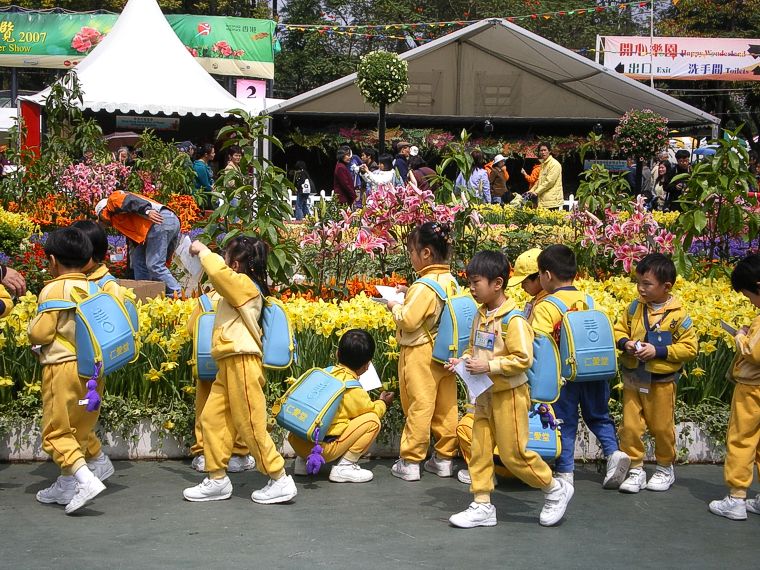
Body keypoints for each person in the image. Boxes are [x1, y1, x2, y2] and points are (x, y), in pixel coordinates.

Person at [446, 251, 573, 528]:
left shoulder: (513, 320)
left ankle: (554, 488)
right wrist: (464, 361)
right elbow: (475, 350)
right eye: (470, 282)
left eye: (476, 282)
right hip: (485, 394)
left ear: (497, 283)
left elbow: (523, 359)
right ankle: (482, 504)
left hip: (510, 395)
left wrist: (489, 366)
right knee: (479, 448)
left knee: (513, 454)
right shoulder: (481, 315)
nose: (471, 288)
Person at [182, 236, 297, 504]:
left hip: (242, 361)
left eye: (224, 256)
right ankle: (217, 478)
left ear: (234, 264)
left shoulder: (245, 285)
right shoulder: (238, 286)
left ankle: (279, 478)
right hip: (229, 362)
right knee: (212, 419)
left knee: (250, 425)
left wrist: (202, 251)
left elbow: (220, 275)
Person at [531, 245, 630, 489]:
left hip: (565, 376)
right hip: (594, 370)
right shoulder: (588, 300)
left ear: (548, 275)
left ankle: (565, 472)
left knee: (563, 421)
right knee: (599, 416)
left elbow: (539, 343)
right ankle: (613, 453)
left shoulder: (546, 306)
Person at [29, 227, 107, 514]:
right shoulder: (94, 287)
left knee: (56, 431)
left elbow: (40, 333)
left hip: (63, 369)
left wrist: (30, 330)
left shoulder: (53, 288)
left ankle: (85, 480)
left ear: (52, 260)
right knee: (81, 427)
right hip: (94, 372)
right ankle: (65, 484)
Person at [614, 254, 698, 494]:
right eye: (638, 282)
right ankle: (636, 468)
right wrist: (626, 343)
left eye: (647, 284)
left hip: (661, 381)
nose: (641, 288)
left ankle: (664, 466)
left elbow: (690, 348)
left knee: (661, 427)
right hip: (634, 377)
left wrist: (659, 351)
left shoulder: (679, 315)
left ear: (666, 286)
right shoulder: (634, 308)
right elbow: (619, 328)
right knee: (630, 426)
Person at [386, 222, 459, 481]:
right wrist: (409, 294)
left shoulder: (424, 285)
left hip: (420, 353)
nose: (412, 257)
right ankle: (443, 458)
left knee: (419, 405)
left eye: (412, 252)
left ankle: (411, 461)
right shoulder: (451, 280)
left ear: (426, 253)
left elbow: (408, 319)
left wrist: (394, 305)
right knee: (446, 406)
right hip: (445, 352)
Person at [72, 220, 135, 483]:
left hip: (93, 367)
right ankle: (93, 458)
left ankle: (94, 461)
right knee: (77, 413)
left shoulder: (107, 284)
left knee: (82, 414)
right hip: (75, 362)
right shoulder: (77, 277)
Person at [289, 329, 395, 482]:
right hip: (321, 451)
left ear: (337, 353)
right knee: (372, 420)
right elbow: (373, 411)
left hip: (296, 440)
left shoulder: (323, 374)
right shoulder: (353, 389)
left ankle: (302, 461)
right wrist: (383, 402)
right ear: (367, 365)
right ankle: (345, 467)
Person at [709, 254, 760, 520]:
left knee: (741, 440)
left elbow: (755, 352)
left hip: (752, 389)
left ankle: (736, 498)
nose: (750, 301)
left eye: (749, 295)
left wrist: (741, 336)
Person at [185, 288, 256, 475]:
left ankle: (203, 453)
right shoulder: (244, 293)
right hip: (236, 361)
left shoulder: (206, 300)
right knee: (239, 406)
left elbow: (191, 329)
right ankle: (237, 454)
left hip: (208, 361)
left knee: (206, 405)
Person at [95, 190, 181, 297]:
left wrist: (147, 211)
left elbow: (129, 200)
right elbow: (133, 247)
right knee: (139, 260)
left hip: (158, 221)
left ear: (101, 212)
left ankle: (178, 294)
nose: (104, 225)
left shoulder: (112, 201)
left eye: (101, 220)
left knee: (154, 265)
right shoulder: (122, 220)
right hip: (165, 222)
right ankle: (145, 295)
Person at [507, 248, 546, 322]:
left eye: (524, 282)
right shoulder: (537, 299)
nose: (522, 287)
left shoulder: (546, 306)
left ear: (539, 278)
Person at [527, 143, 563, 210]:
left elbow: (549, 182)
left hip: (552, 201)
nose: (543, 152)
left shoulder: (554, 164)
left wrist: (536, 192)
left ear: (549, 151)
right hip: (543, 200)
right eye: (541, 150)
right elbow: (539, 180)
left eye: (545, 150)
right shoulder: (543, 164)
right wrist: (532, 190)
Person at [193, 143, 216, 209]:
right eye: (212, 153)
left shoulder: (205, 164)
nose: (214, 154)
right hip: (202, 198)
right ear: (206, 155)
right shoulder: (200, 167)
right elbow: (205, 185)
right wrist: (212, 188)